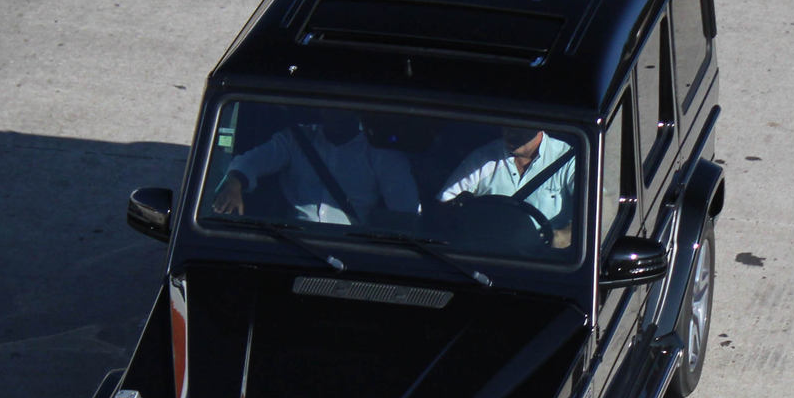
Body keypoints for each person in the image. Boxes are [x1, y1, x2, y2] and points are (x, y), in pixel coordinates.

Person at [208, 107, 419, 224]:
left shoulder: (382, 154)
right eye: (331, 107)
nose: (336, 113)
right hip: (293, 239)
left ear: (357, 111)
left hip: (353, 247)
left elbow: (404, 213)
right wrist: (234, 183)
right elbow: (254, 160)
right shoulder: (297, 139)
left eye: (344, 108)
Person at [438, 129, 576, 247]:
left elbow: (594, 215)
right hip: (489, 255)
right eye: (508, 124)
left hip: (546, 262)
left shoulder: (567, 159)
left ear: (539, 126)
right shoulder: (483, 158)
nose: (511, 132)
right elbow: (445, 204)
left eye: (521, 126)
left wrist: (565, 235)